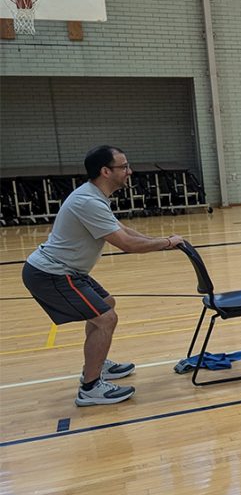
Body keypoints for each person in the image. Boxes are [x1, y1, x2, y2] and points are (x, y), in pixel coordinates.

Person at [22, 145, 185, 406]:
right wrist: (166, 242)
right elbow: (126, 245)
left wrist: (161, 241)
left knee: (106, 305)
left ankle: (97, 365)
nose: (129, 171)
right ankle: (90, 387)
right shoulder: (88, 201)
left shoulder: (95, 197)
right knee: (106, 319)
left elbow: (125, 230)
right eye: (124, 167)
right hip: (51, 273)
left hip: (66, 270)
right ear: (106, 171)